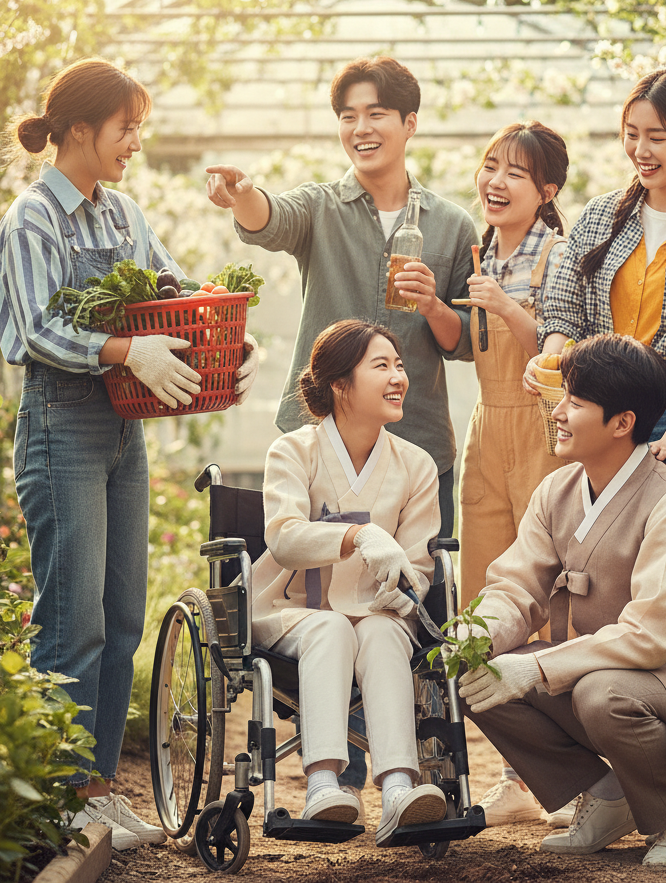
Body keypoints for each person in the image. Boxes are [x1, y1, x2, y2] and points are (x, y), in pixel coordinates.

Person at [0, 58, 259, 851]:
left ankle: (98, 790)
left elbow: (178, 292)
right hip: (62, 427)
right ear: (79, 130)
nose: (136, 143)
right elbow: (30, 332)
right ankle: (57, 798)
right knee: (72, 620)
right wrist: (122, 350)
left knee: (120, 617)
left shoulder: (123, 214)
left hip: (121, 431)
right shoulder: (32, 219)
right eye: (126, 127)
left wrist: (226, 343)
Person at [205, 56, 477, 808]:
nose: (361, 128)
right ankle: (339, 780)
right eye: (348, 116)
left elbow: (464, 342)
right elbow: (268, 219)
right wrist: (242, 193)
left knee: (398, 606)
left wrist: (433, 306)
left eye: (376, 114)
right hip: (322, 436)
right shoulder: (322, 209)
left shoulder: (451, 224)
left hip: (415, 439)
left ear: (409, 123)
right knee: (326, 611)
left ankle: (406, 776)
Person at [526, 66, 666, 794]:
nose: (641, 150)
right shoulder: (601, 217)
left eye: (658, 136)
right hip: (600, 405)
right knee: (595, 571)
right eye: (632, 135)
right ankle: (613, 759)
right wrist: (556, 357)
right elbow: (562, 303)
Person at [458, 334, 666, 872]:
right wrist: (480, 635)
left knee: (599, 694)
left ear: (622, 423)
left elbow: (650, 637)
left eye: (574, 402)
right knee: (478, 674)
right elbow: (515, 589)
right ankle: (607, 795)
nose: (557, 413)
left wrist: (535, 667)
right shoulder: (556, 491)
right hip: (609, 676)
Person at [252, 319, 448, 844]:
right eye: (381, 366)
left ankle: (400, 789)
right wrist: (358, 536)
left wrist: (402, 590)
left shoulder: (417, 465)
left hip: (377, 612)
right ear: (340, 384)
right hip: (293, 610)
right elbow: (284, 537)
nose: (399, 377)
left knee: (381, 632)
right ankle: (322, 784)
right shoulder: (292, 451)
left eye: (399, 365)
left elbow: (419, 567)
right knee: (331, 627)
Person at [459, 121, 569, 827]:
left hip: (541, 429)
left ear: (547, 190)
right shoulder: (478, 251)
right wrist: (436, 304)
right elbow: (460, 342)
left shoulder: (557, 254)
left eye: (516, 173)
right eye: (491, 166)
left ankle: (572, 775)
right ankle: (515, 778)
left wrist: (504, 304)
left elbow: (559, 349)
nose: (496, 182)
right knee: (483, 601)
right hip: (485, 430)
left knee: (552, 600)